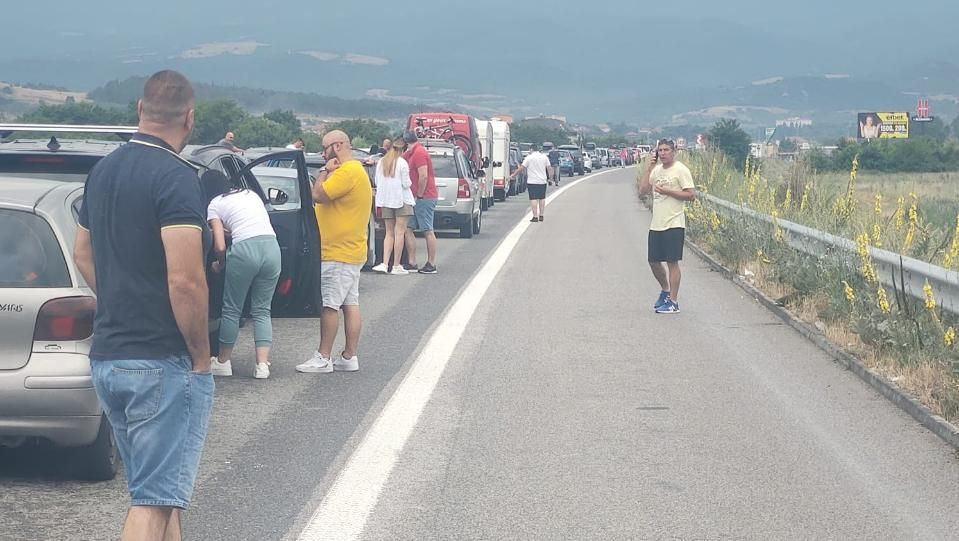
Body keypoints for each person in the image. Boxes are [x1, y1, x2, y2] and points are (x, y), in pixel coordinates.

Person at [72, 70, 213, 541]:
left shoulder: (103, 171)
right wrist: (200, 353)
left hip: (109, 356)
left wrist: (118, 297)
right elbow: (186, 281)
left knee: (158, 492)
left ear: (139, 110)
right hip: (158, 358)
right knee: (153, 503)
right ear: (189, 119)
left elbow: (82, 253)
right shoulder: (176, 179)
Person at [296, 129, 372, 373]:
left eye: (324, 147)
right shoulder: (358, 171)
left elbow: (318, 195)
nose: (322, 153)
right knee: (350, 303)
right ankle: (349, 356)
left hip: (337, 252)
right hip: (352, 249)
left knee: (329, 305)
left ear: (337, 146)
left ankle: (323, 356)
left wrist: (324, 170)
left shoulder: (347, 171)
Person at [203, 171, 281, 379]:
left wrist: (220, 263)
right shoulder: (250, 194)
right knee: (262, 310)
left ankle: (223, 362)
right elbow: (247, 224)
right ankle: (262, 365)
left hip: (244, 252)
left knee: (231, 309)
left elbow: (219, 244)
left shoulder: (214, 205)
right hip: (272, 248)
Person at [638, 138, 697, 314]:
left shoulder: (681, 170)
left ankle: (674, 301)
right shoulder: (656, 170)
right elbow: (643, 191)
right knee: (654, 261)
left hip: (674, 223)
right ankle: (665, 290)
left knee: (672, 262)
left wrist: (667, 191)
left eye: (666, 150)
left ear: (674, 152)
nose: (663, 153)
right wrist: (649, 167)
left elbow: (691, 195)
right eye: (660, 150)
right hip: (657, 223)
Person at [371, 136, 415, 275]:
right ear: (403, 149)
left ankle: (384, 263)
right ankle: (396, 265)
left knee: (388, 234)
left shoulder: (382, 162)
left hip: (385, 200)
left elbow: (377, 181)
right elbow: (406, 183)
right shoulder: (402, 163)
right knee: (399, 233)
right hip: (402, 200)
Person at [401, 130, 439, 274]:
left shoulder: (419, 153)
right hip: (415, 197)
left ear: (405, 141)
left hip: (424, 197)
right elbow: (397, 159)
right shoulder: (411, 153)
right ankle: (412, 262)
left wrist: (420, 195)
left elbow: (423, 176)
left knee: (427, 229)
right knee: (408, 229)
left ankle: (431, 263)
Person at [509, 143, 552, 222]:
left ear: (531, 149)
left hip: (532, 181)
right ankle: (541, 215)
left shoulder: (529, 158)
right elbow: (549, 168)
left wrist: (513, 175)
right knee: (542, 198)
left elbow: (522, 168)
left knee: (533, 198)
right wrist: (550, 179)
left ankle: (535, 216)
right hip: (542, 181)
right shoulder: (544, 157)